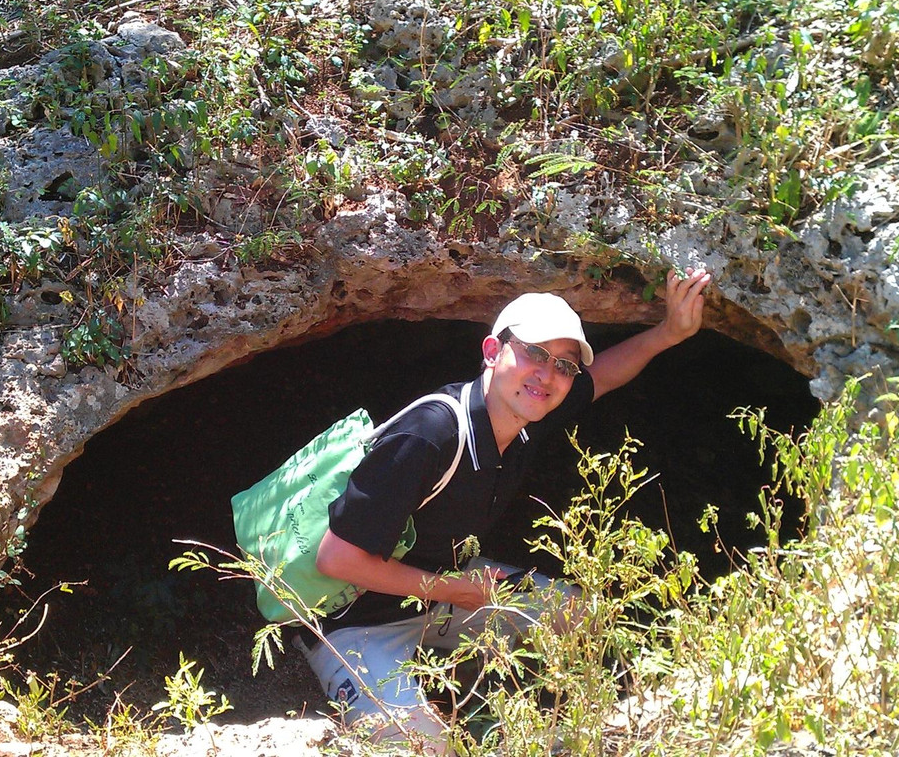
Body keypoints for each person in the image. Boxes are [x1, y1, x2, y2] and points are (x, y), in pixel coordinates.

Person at [294, 267, 712, 753]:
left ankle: (529, 696)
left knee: (584, 617)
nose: (547, 375)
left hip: (446, 594)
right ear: (493, 351)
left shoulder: (528, 413)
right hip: (353, 623)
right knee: (423, 745)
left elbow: (602, 376)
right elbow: (336, 559)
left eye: (564, 366)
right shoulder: (431, 435)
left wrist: (669, 332)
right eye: (534, 353)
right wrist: (456, 590)